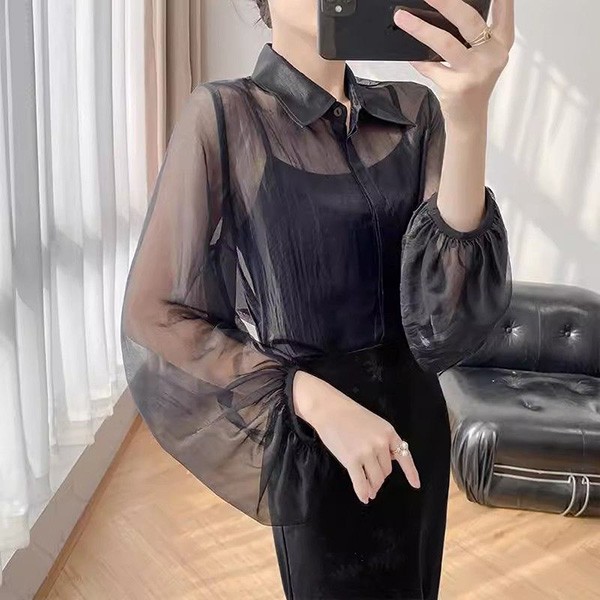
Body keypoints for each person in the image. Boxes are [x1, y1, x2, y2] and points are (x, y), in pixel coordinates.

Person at [120, 0, 514, 597]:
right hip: (316, 441)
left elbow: (447, 311)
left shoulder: (415, 112)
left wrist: (470, 115)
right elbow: (155, 314)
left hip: (417, 431)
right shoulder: (226, 115)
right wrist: (312, 398)